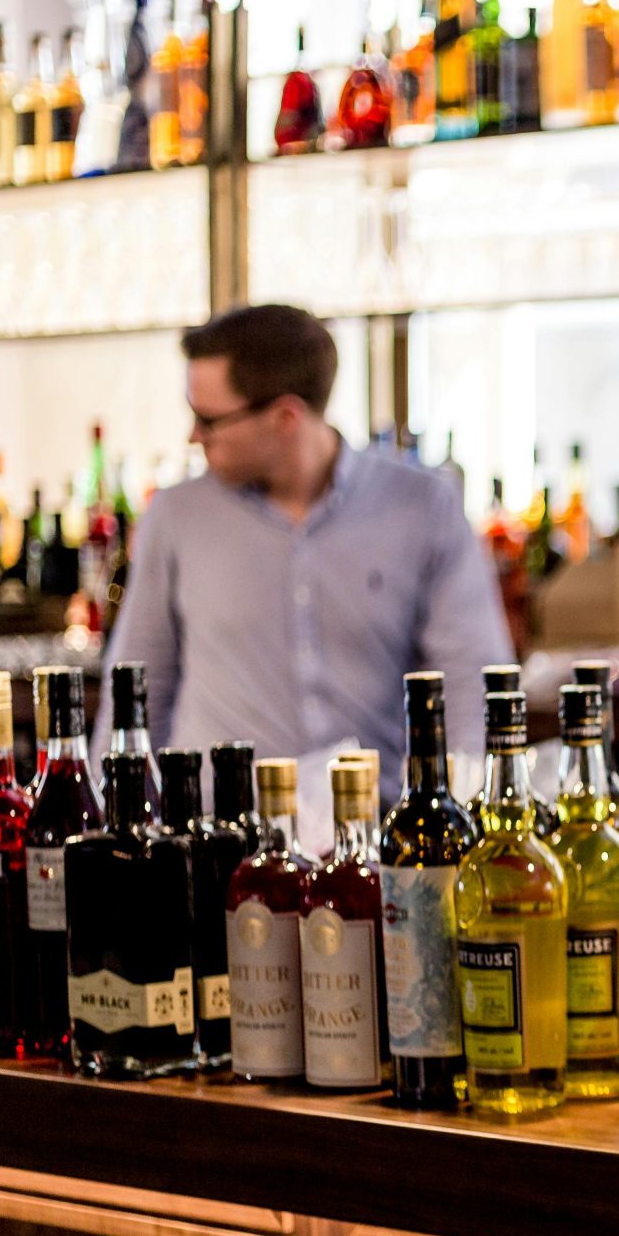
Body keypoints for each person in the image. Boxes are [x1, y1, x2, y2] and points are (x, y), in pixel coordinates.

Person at [97, 304, 511, 839]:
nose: (193, 436)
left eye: (209, 419)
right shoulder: (175, 517)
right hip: (218, 841)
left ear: (286, 417)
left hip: (376, 839)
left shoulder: (422, 507)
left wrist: (464, 829)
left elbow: (472, 686)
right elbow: (136, 691)